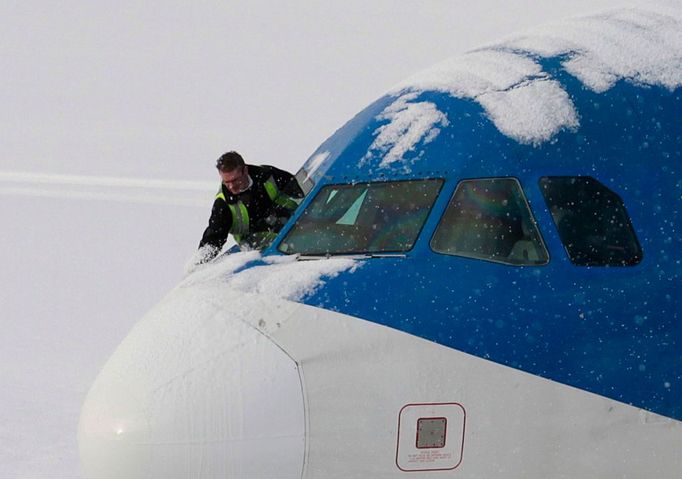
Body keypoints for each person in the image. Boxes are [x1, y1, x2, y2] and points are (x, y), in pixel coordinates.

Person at [194, 151, 304, 264]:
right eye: (227, 182)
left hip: (297, 227)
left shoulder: (267, 175)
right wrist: (200, 263)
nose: (231, 186)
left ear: (245, 170)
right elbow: (213, 238)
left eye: (235, 180)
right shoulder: (223, 205)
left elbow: (301, 190)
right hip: (265, 253)